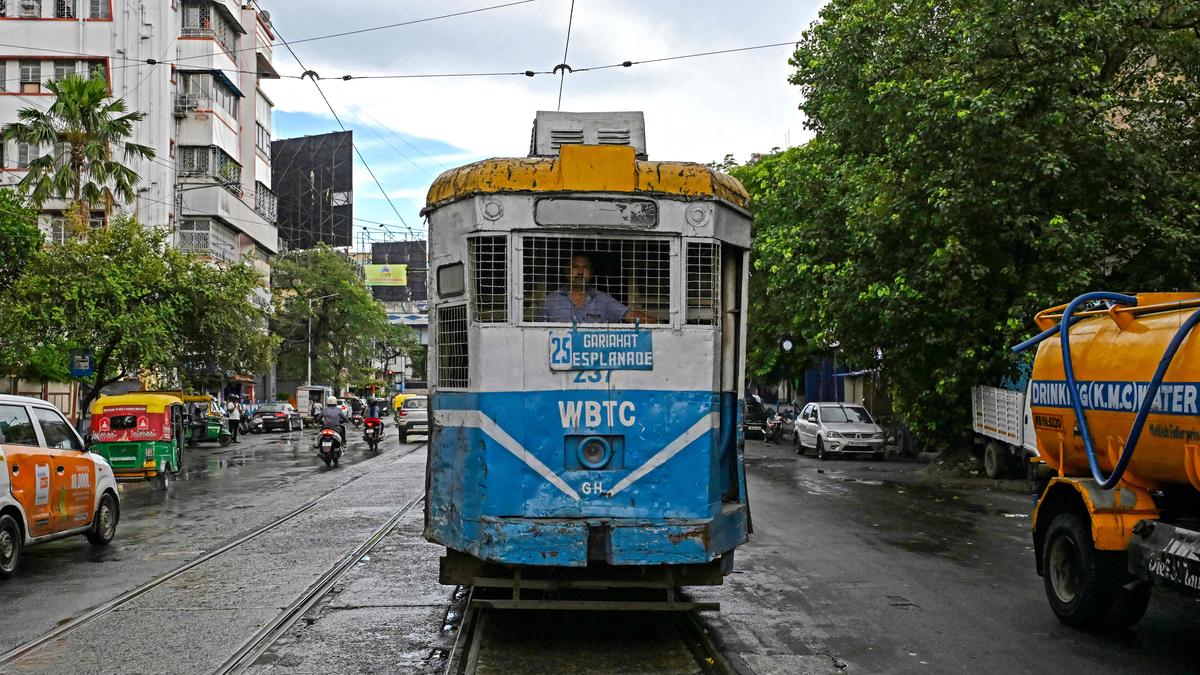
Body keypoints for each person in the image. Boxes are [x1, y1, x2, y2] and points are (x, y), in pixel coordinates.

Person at [538, 254, 653, 323]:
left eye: (585, 267)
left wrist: (660, 326)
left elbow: (629, 315)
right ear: (567, 271)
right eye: (575, 267)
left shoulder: (602, 299)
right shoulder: (551, 300)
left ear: (591, 272)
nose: (580, 272)